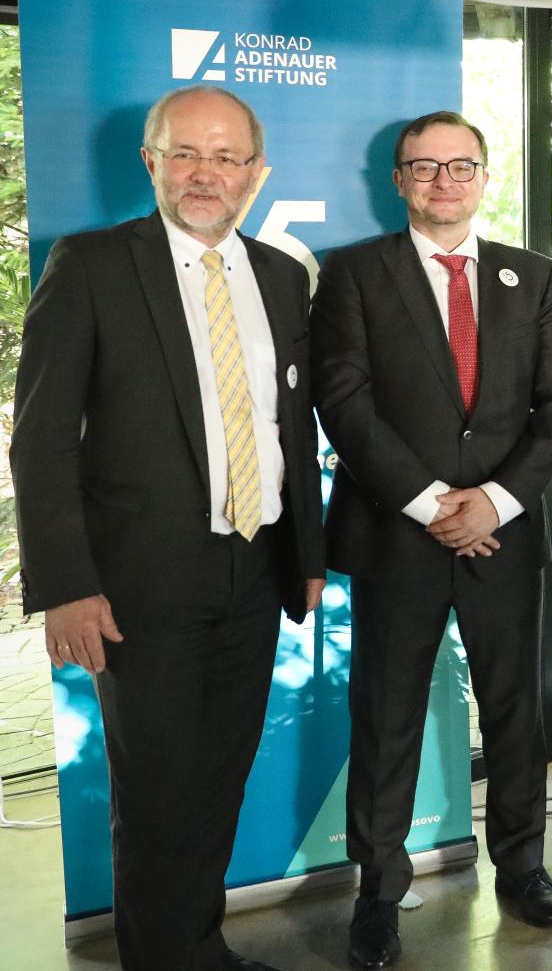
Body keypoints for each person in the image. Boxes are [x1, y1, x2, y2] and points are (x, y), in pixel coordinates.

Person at [11, 85, 325, 971]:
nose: (204, 174)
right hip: (139, 586)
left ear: (255, 174)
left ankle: (198, 949)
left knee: (218, 779)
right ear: (151, 162)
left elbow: (289, 429)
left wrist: (307, 553)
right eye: (185, 154)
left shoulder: (280, 276)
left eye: (226, 158)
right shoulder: (92, 265)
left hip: (256, 571)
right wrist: (66, 585)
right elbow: (41, 438)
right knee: (156, 797)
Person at [311, 111, 552, 969]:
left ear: (484, 177)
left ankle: (523, 867)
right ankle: (378, 891)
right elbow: (343, 402)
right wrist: (434, 505)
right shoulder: (352, 273)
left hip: (503, 534)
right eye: (424, 167)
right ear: (399, 180)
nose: (443, 181)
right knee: (386, 716)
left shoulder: (532, 276)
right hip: (397, 535)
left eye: (460, 165)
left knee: (514, 710)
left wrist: (493, 503)